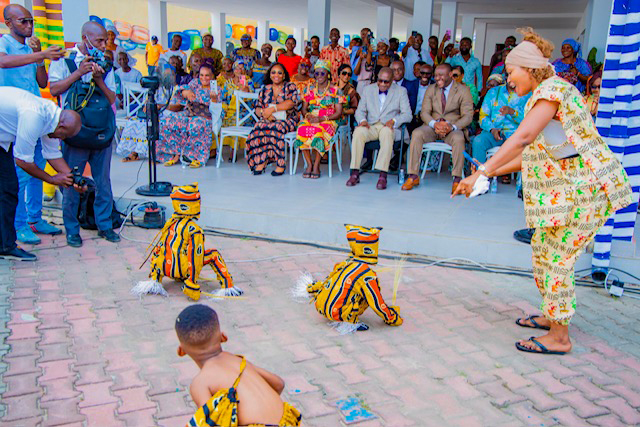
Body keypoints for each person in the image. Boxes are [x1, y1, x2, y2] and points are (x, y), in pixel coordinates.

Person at [453, 28, 633, 355]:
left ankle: (560, 337)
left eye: (511, 72)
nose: (508, 80)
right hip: (574, 191)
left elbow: (521, 138)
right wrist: (481, 177)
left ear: (530, 68)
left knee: (556, 257)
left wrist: (483, 171)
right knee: (542, 246)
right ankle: (553, 316)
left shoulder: (551, 91)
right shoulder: (545, 95)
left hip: (589, 189)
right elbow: (529, 154)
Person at [0, 4, 67, 245]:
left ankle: (34, 218)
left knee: (38, 168)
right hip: (15, 120)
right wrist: (41, 55)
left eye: (31, 21)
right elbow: (3, 63)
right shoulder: (4, 43)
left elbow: (42, 82)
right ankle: (18, 225)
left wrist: (39, 57)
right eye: (23, 21)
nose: (29, 26)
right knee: (21, 173)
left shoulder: (30, 49)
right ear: (9, 23)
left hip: (36, 115)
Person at [49, 21, 119, 249]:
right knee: (71, 182)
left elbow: (112, 98)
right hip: (74, 133)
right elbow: (54, 89)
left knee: (103, 182)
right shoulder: (64, 60)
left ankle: (105, 225)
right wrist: (79, 72)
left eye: (105, 41)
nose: (103, 45)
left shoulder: (106, 64)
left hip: (101, 132)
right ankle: (72, 230)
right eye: (99, 41)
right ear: (84, 38)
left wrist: (99, 79)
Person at [176, 305, 301, 426]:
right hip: (288, 421)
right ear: (223, 337)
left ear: (181, 351)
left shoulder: (200, 383)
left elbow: (211, 422)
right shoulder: (239, 361)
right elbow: (279, 384)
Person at [0, 88, 82, 261]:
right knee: (8, 189)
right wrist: (51, 179)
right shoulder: (34, 116)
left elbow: (52, 154)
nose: (61, 139)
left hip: (2, 140)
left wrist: (74, 179)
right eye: (64, 136)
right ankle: (5, 245)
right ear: (62, 126)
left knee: (8, 190)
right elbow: (22, 161)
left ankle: (5, 246)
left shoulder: (52, 117)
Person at [134, 184, 241, 300]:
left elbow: (159, 247)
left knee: (162, 247)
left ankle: (155, 280)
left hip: (164, 268)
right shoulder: (194, 230)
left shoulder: (170, 222)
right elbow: (195, 256)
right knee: (213, 254)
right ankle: (228, 286)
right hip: (183, 270)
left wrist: (155, 273)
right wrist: (192, 283)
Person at [294, 225, 403, 333]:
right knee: (369, 291)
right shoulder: (367, 276)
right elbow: (376, 303)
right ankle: (349, 323)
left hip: (320, 305)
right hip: (336, 313)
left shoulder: (346, 263)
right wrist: (392, 317)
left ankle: (329, 303)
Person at [402, 63, 473, 194]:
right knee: (417, 134)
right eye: (435, 75)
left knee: (459, 139)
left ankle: (457, 179)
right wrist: (434, 124)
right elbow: (424, 112)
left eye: (441, 75)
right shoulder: (431, 89)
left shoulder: (463, 90)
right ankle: (413, 175)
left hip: (453, 128)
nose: (437, 78)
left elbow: (468, 116)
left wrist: (452, 127)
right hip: (433, 126)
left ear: (450, 75)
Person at [346, 67, 412, 190]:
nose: (382, 84)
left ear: (392, 80)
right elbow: (359, 111)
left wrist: (394, 121)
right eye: (380, 81)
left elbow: (407, 114)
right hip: (371, 126)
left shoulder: (401, 91)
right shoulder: (368, 89)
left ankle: (383, 175)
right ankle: (354, 172)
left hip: (389, 127)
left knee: (387, 133)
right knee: (358, 132)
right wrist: (362, 120)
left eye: (386, 82)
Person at [156, 64, 219, 168]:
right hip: (189, 113)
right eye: (201, 75)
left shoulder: (216, 89)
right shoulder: (195, 83)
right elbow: (181, 90)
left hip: (206, 116)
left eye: (207, 75)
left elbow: (217, 108)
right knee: (167, 122)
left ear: (212, 76)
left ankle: (194, 157)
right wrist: (186, 92)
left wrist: (214, 100)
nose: (204, 78)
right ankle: (173, 153)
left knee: (196, 125)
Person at [246, 63, 301, 176]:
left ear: (284, 75)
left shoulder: (290, 87)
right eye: (273, 72)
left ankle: (280, 164)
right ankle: (262, 160)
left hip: (288, 119)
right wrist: (264, 114)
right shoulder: (265, 89)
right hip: (268, 118)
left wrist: (272, 109)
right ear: (270, 75)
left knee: (276, 128)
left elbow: (291, 103)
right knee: (258, 128)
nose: (276, 75)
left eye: (279, 73)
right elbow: (258, 108)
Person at [294, 59, 343, 179]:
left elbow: (338, 113)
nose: (319, 76)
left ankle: (316, 165)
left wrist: (322, 118)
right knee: (301, 129)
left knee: (319, 131)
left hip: (328, 119)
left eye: (322, 73)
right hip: (312, 117)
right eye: (317, 73)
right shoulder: (309, 89)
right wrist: (308, 116)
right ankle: (309, 164)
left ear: (328, 74)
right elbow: (304, 108)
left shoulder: (335, 90)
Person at [473, 76, 530, 165]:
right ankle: (479, 172)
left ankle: (517, 174)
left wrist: (512, 112)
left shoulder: (527, 94)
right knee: (479, 141)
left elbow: (530, 121)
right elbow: (483, 116)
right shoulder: (493, 92)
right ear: (507, 77)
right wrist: (492, 129)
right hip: (494, 134)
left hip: (516, 136)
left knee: (527, 148)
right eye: (510, 74)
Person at [218, 59, 254, 153]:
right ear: (234, 70)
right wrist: (224, 111)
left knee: (236, 120)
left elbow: (252, 99)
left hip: (244, 112)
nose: (240, 71)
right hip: (230, 111)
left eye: (242, 68)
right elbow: (224, 99)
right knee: (219, 120)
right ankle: (218, 150)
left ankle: (233, 151)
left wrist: (245, 90)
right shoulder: (228, 83)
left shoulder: (249, 82)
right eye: (237, 68)